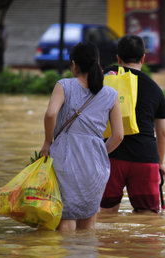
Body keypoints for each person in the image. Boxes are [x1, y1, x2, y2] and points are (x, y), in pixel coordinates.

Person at [40, 42, 124, 231]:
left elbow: (50, 114)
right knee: (88, 220)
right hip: (96, 163)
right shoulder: (111, 94)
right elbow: (118, 135)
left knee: (66, 217)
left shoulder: (64, 85)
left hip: (65, 156)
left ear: (74, 64)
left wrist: (47, 142)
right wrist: (100, 152)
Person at [100, 35, 165, 214]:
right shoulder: (155, 89)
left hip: (110, 155)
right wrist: (160, 163)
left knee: (105, 213)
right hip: (145, 159)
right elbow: (163, 133)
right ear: (143, 58)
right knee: (147, 219)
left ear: (118, 58)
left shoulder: (106, 77)